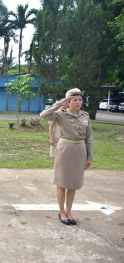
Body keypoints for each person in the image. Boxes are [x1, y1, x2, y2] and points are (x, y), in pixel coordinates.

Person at [40, 88, 94, 226]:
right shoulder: (60, 114)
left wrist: (89, 157)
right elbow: (44, 115)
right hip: (65, 149)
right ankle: (61, 212)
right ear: (68, 101)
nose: (77, 102)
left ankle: (69, 211)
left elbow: (89, 138)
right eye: (74, 99)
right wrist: (60, 103)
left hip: (80, 150)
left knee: (73, 184)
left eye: (80, 99)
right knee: (62, 182)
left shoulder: (85, 116)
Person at [48, 101, 68, 165]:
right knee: (55, 155)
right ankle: (56, 172)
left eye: (66, 103)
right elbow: (51, 126)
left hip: (66, 139)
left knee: (65, 157)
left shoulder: (69, 113)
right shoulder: (55, 113)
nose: (65, 105)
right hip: (56, 138)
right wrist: (51, 138)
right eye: (63, 104)